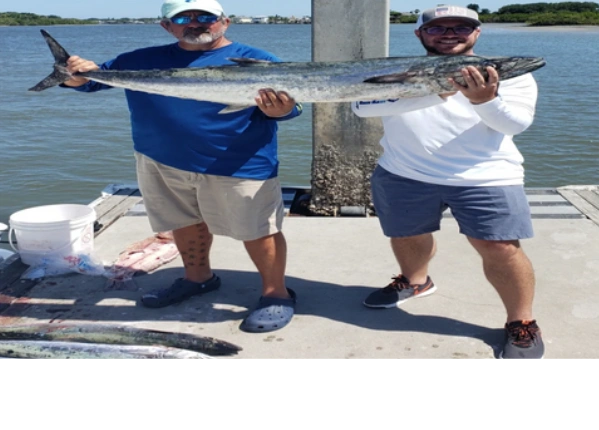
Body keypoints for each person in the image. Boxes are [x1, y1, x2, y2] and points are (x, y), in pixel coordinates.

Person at [62, 0, 302, 334]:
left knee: (259, 230)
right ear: (166, 26)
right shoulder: (138, 61)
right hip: (160, 159)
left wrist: (280, 109)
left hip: (238, 163)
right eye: (183, 18)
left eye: (206, 17)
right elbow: (91, 82)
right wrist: (75, 75)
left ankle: (276, 294)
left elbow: (291, 109)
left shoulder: (259, 61)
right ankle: (197, 279)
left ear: (225, 22)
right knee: (183, 223)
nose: (196, 23)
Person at [352, 5, 545, 360]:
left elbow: (515, 125)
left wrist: (484, 100)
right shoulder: (394, 69)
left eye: (461, 27)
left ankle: (522, 322)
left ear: (477, 33)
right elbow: (363, 107)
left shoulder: (508, 73)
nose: (450, 33)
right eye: (438, 28)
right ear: (420, 34)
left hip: (487, 175)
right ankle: (415, 282)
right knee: (406, 234)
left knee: (501, 249)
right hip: (403, 171)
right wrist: (434, 91)